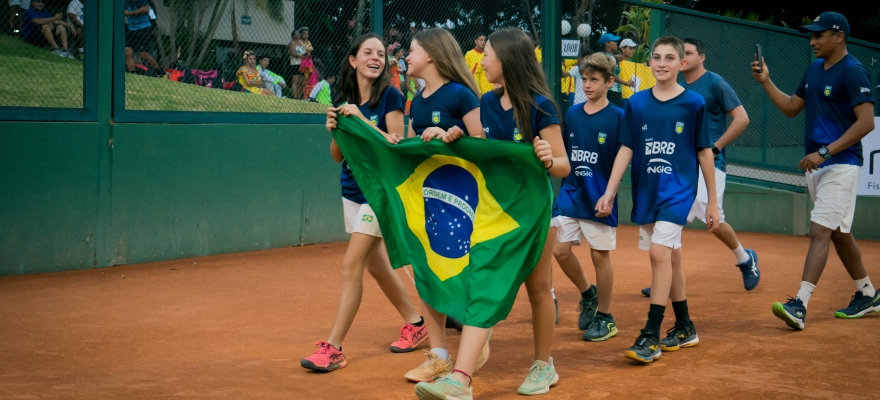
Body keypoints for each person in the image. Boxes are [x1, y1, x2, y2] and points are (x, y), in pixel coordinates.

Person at [415, 27, 571, 399]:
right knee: (483, 281)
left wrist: (550, 159)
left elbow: (564, 165)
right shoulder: (486, 103)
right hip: (495, 213)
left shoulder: (540, 106)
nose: (481, 60)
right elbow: (483, 155)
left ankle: (543, 365)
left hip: (536, 213)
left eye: (488, 55)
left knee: (538, 288)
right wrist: (452, 135)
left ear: (508, 60)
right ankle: (462, 377)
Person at [301, 33, 428, 372]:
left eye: (381, 53)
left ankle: (334, 348)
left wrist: (358, 119)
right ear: (353, 60)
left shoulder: (390, 95)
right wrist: (336, 130)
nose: (376, 57)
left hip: (380, 193)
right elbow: (338, 155)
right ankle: (417, 324)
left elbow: (394, 147)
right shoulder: (343, 97)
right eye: (368, 52)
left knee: (351, 266)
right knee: (375, 265)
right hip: (352, 190)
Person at [596, 36, 719, 363]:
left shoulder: (694, 104)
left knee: (659, 251)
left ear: (682, 64)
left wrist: (713, 201)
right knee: (672, 256)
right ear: (649, 62)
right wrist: (609, 190)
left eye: (670, 57)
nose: (662, 63)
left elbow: (704, 151)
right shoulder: (635, 104)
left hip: (678, 190)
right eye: (657, 57)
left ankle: (650, 334)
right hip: (646, 191)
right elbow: (626, 148)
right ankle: (684, 325)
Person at [751, 12, 878, 330]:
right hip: (819, 168)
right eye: (812, 35)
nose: (812, 41)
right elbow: (792, 108)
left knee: (820, 230)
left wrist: (825, 152)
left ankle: (800, 303)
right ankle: (868, 294)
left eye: (819, 35)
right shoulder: (813, 70)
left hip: (841, 164)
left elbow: (866, 122)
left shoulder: (854, 72)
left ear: (839, 36)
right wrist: (766, 81)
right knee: (837, 233)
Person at [396, 27, 487, 388]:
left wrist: (453, 139)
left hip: (464, 200)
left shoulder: (461, 95)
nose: (406, 56)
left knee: (464, 274)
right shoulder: (416, 101)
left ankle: (474, 343)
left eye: (412, 50)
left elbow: (483, 144)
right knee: (427, 273)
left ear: (431, 54)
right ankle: (440, 356)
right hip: (429, 200)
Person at [639, 38, 760, 297]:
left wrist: (714, 148)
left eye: (689, 53)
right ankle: (665, 276)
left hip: (710, 162)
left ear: (700, 57)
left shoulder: (716, 83)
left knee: (713, 219)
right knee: (670, 218)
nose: (684, 58)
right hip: (681, 165)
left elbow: (742, 119)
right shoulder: (678, 89)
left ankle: (745, 259)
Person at [551, 53, 624, 342]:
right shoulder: (573, 114)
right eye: (584, 79)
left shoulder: (619, 117)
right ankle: (588, 293)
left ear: (609, 82)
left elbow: (623, 158)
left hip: (600, 197)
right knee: (559, 250)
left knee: (599, 254)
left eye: (594, 79)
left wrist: (610, 194)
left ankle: (605, 317)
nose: (588, 84)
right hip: (571, 192)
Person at [124, 0, 162, 77]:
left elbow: (146, 9)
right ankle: (133, 75)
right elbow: (124, 10)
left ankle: (160, 72)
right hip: (131, 28)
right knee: (128, 52)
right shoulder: (127, 1)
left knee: (143, 54)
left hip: (143, 28)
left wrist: (130, 13)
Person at [617, 38, 655, 107]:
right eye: (630, 48)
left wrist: (643, 68)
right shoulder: (616, 62)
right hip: (617, 93)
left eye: (633, 49)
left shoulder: (633, 64)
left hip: (629, 94)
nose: (633, 51)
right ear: (623, 49)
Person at [597, 33, 633, 106]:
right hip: (613, 91)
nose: (616, 43)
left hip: (605, 90)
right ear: (607, 44)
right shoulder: (611, 58)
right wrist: (626, 83)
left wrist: (614, 57)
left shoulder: (603, 56)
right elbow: (611, 74)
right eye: (614, 41)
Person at [298, 27, 318, 99]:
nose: (306, 35)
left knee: (309, 77)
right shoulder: (299, 41)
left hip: (309, 61)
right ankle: (302, 96)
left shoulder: (308, 42)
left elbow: (309, 51)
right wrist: (306, 52)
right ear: (301, 34)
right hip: (303, 61)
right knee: (303, 79)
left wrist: (307, 52)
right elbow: (302, 52)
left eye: (307, 34)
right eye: (304, 34)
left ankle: (307, 95)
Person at [288, 29, 306, 99]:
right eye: (297, 34)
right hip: (295, 64)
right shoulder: (292, 42)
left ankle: (298, 97)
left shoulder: (300, 43)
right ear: (293, 36)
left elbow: (303, 52)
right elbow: (293, 53)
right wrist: (301, 56)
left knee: (300, 82)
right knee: (295, 81)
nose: (298, 35)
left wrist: (306, 54)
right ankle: (295, 96)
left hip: (302, 64)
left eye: (299, 33)